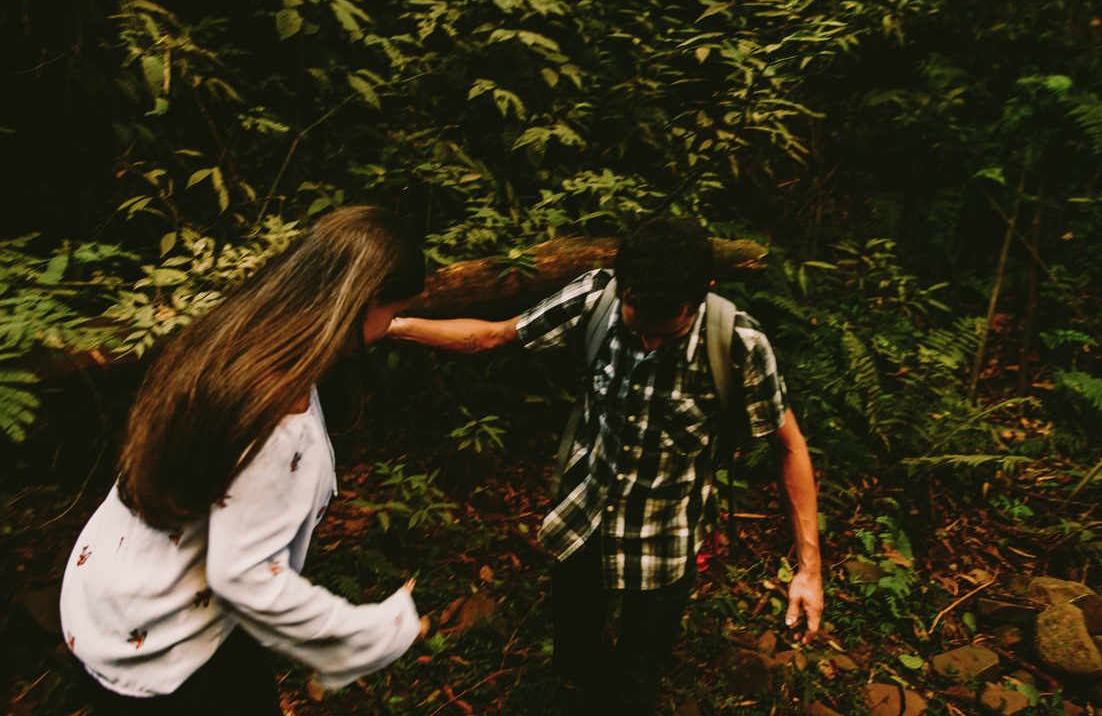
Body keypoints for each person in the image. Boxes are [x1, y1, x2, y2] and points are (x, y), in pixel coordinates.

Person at [388, 216, 823, 715]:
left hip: (667, 540)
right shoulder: (597, 298)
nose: (650, 344)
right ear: (623, 284)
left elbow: (790, 447)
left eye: (669, 329)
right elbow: (492, 336)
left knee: (636, 683)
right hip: (585, 524)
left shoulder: (739, 343)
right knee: (572, 661)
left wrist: (809, 570)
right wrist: (391, 327)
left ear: (704, 291)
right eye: (638, 319)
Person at [60, 206, 431, 715]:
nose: (392, 324)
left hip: (107, 601)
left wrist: (395, 326)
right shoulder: (281, 417)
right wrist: (377, 633)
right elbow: (247, 579)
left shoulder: (234, 335)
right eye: (394, 311)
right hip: (167, 652)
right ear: (365, 302)